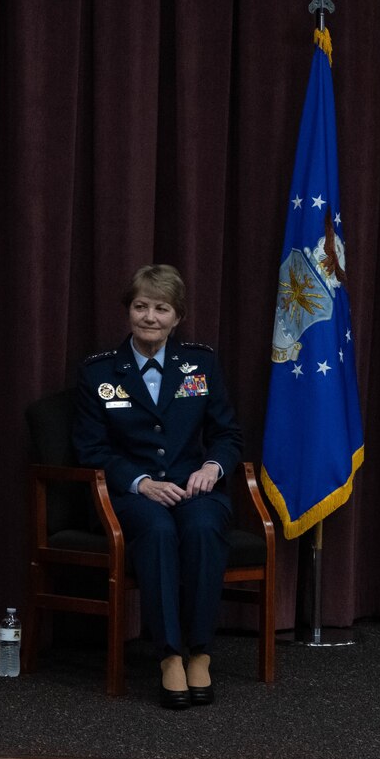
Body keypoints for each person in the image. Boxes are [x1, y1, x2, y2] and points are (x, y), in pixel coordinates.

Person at [73, 264, 242, 709]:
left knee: (205, 527)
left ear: (177, 317)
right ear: (128, 311)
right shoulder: (98, 373)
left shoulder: (201, 364)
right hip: (130, 496)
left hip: (193, 488)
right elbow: (90, 450)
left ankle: (200, 651)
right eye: (141, 306)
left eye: (161, 308)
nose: (150, 316)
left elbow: (227, 434)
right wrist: (141, 482)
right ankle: (169, 655)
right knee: (159, 531)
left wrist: (212, 467)